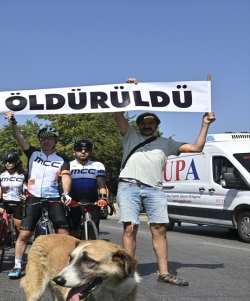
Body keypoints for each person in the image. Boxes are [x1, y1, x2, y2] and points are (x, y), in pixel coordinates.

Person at [113, 77, 216, 286]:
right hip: (129, 186)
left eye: (151, 122)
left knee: (159, 229)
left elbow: (196, 148)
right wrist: (128, 90)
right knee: (130, 228)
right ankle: (127, 273)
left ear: (157, 125)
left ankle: (164, 272)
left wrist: (205, 124)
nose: (147, 125)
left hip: (154, 189)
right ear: (138, 125)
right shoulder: (129, 135)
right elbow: (117, 113)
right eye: (143, 122)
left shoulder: (167, 143)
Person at [4, 111, 72, 279]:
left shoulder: (62, 158)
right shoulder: (33, 154)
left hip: (53, 198)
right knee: (24, 234)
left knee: (64, 234)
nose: (46, 141)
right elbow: (20, 139)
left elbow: (65, 176)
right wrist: (13, 123)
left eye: (49, 138)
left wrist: (66, 193)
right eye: (43, 138)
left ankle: (66, 264)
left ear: (55, 140)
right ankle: (17, 265)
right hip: (33, 198)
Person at [0, 151, 26, 253]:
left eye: (10, 161)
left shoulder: (22, 174)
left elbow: (32, 184)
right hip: (4, 202)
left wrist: (27, 195)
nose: (7, 163)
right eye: (5, 162)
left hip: (18, 202)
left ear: (16, 162)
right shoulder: (1, 174)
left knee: (18, 227)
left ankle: (19, 247)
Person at [67, 139, 108, 235]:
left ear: (91, 152)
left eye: (87, 150)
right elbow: (65, 183)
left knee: (94, 230)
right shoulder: (68, 165)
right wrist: (68, 198)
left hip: (93, 200)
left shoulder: (98, 165)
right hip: (74, 201)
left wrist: (103, 198)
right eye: (79, 149)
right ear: (74, 152)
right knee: (72, 230)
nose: (83, 152)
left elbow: (101, 184)